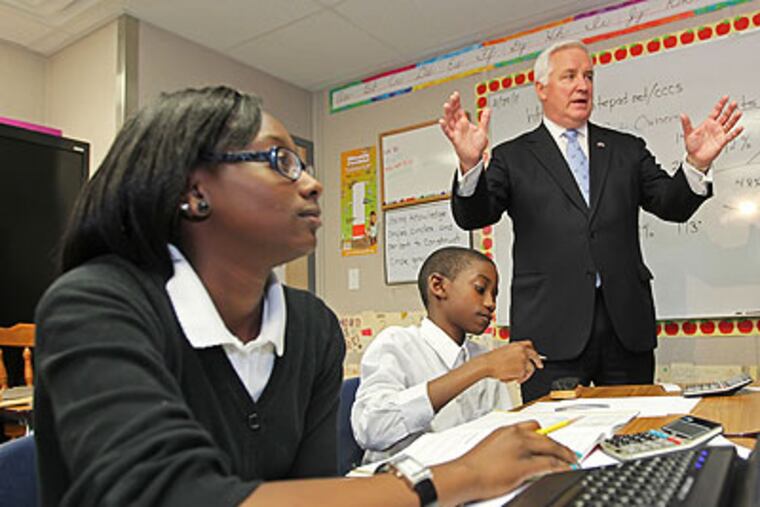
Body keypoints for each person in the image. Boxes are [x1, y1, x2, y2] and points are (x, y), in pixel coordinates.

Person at [33, 85, 576, 507]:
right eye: (282, 162)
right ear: (193, 192)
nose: (313, 184)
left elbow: (314, 487)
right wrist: (460, 477)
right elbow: (171, 496)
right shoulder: (96, 303)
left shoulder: (310, 325)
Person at [440, 40, 743, 402]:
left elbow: (671, 205)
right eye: (569, 76)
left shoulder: (627, 149)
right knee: (556, 446)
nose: (583, 85)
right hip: (550, 333)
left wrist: (696, 165)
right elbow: (474, 215)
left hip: (626, 329)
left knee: (635, 432)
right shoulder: (513, 157)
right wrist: (470, 165)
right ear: (541, 88)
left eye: (588, 76)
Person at [352, 246, 543, 462]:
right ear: (438, 286)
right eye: (480, 289)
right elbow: (371, 429)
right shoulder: (396, 344)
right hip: (400, 484)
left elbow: (502, 430)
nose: (490, 303)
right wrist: (480, 368)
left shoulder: (481, 355)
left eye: (494, 294)